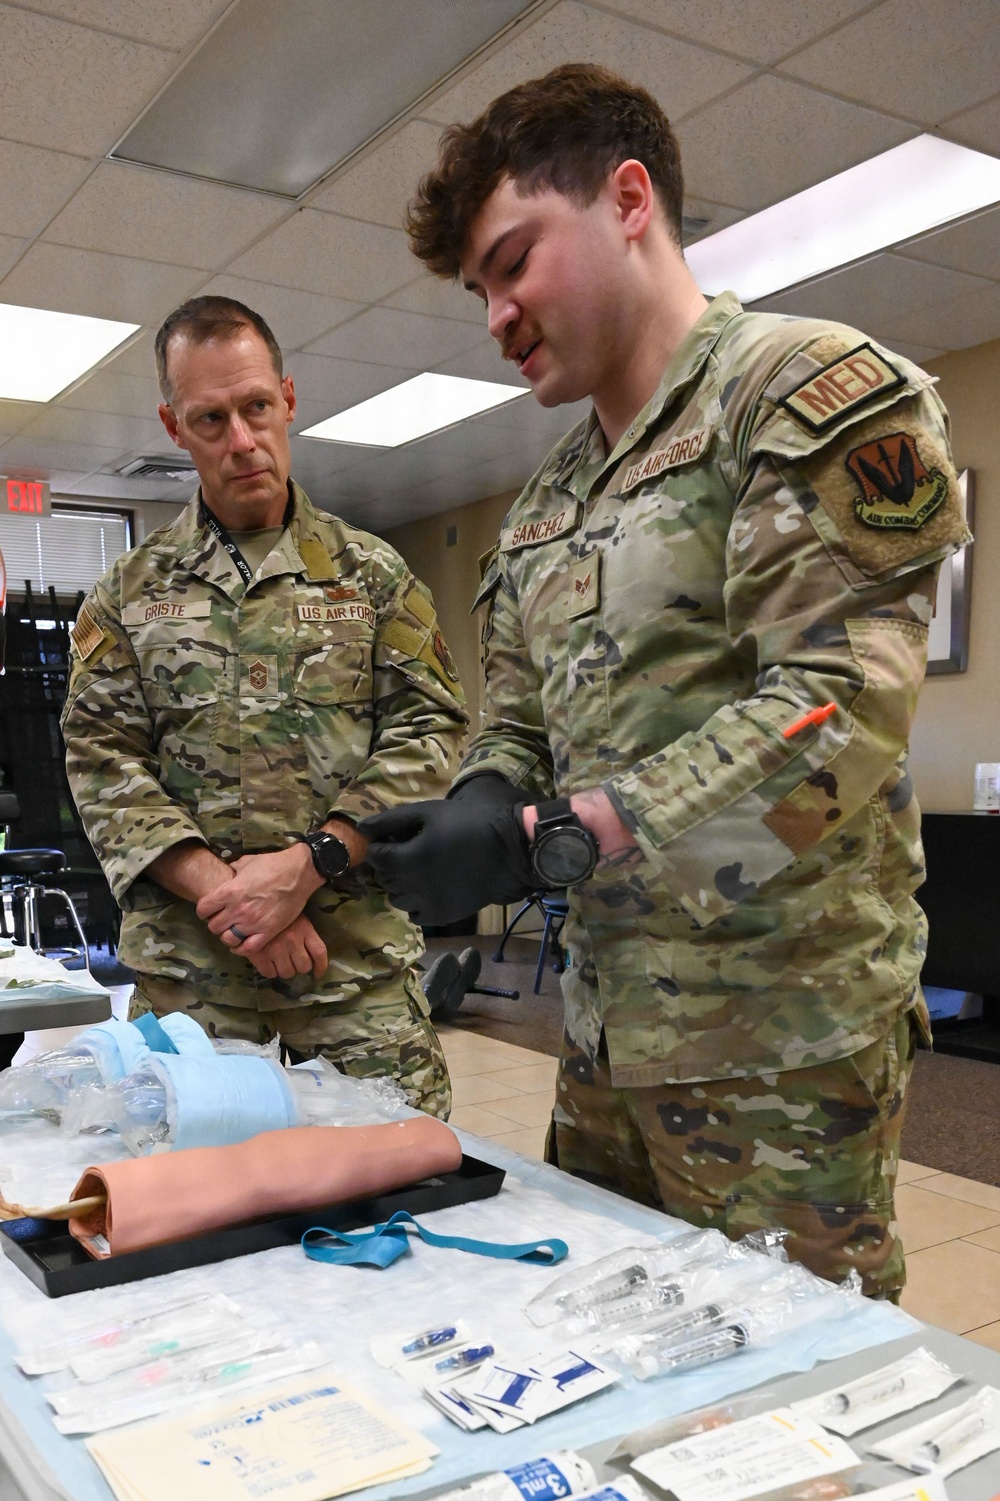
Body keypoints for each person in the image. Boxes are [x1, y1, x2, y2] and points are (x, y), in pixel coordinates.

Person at [360, 64, 970, 1293]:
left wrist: (571, 837)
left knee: (791, 1416)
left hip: (781, 1043)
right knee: (607, 1362)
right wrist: (484, 800)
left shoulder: (801, 397)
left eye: (514, 261)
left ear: (628, 200)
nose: (496, 315)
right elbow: (524, 716)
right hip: (601, 1034)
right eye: (480, 288)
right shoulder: (545, 502)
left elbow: (839, 716)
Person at [61, 296, 468, 1116]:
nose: (241, 440)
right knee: (189, 1209)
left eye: (255, 408)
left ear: (288, 397)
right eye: (211, 418)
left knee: (408, 1192)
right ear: (174, 428)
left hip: (352, 970)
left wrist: (308, 865)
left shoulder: (374, 577)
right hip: (192, 981)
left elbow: (432, 734)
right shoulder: (128, 595)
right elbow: (103, 761)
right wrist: (241, 902)